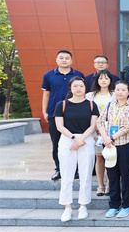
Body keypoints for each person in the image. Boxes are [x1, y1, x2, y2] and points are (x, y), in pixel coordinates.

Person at [54, 77, 99, 222]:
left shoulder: (91, 104)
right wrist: (74, 138)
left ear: (85, 88)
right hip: (67, 140)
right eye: (75, 86)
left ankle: (83, 205)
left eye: (81, 86)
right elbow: (59, 126)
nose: (79, 88)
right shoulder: (62, 105)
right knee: (67, 175)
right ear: (70, 88)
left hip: (86, 140)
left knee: (86, 175)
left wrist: (81, 140)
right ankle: (67, 207)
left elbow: (93, 126)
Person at [41, 50, 84, 181]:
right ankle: (59, 169)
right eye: (61, 58)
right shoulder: (48, 75)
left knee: (75, 141)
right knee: (56, 143)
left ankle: (75, 170)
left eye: (67, 58)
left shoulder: (78, 75)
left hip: (74, 114)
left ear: (71, 60)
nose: (64, 60)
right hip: (55, 113)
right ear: (56, 60)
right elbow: (46, 94)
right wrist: (44, 111)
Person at [97, 80, 129, 218]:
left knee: (125, 176)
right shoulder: (110, 105)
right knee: (112, 176)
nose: (120, 92)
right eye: (117, 89)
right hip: (109, 145)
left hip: (125, 145)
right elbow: (100, 121)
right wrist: (105, 137)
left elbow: (128, 127)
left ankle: (127, 206)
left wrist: (111, 138)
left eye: (123, 90)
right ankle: (113, 205)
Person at [85, 70, 116, 197]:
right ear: (97, 80)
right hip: (95, 131)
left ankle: (109, 184)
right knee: (99, 157)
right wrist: (96, 126)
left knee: (110, 156)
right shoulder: (90, 96)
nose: (103, 81)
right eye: (101, 78)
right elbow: (88, 113)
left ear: (110, 80)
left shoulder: (115, 94)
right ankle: (100, 185)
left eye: (106, 78)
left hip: (111, 131)